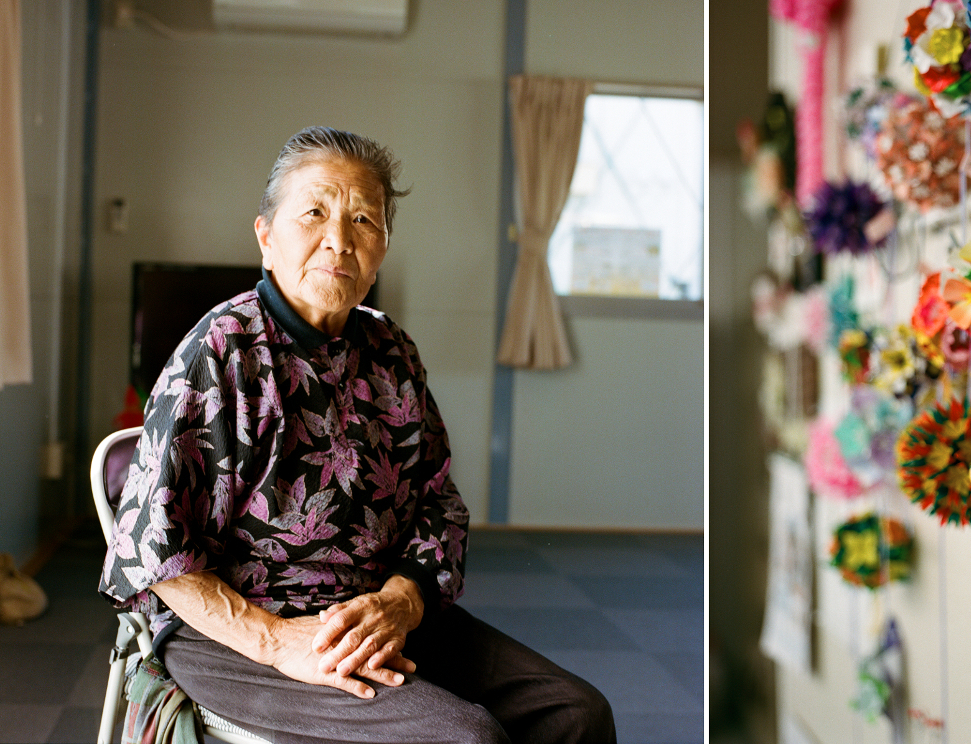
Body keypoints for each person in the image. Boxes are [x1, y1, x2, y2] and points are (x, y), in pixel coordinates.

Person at [100, 126, 615, 744]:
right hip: (239, 628)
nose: (338, 242)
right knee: (465, 740)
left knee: (577, 714)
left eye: (364, 220)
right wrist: (277, 642)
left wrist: (402, 601)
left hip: (374, 612)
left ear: (383, 248)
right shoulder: (221, 352)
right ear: (266, 237)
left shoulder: (391, 350)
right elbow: (154, 550)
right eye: (314, 213)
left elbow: (438, 503)